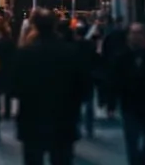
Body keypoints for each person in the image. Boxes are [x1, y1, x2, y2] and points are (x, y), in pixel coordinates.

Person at [14, 10, 89, 165]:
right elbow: (82, 86)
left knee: (33, 159)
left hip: (32, 117)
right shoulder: (70, 52)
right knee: (61, 159)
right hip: (63, 116)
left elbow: (15, 87)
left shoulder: (25, 54)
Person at [112, 23, 145, 165]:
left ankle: (141, 161)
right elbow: (115, 79)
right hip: (129, 104)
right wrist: (112, 100)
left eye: (139, 33)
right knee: (132, 139)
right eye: (133, 33)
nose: (136, 36)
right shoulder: (122, 55)